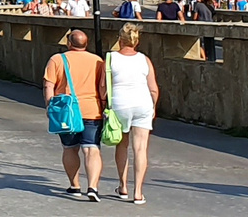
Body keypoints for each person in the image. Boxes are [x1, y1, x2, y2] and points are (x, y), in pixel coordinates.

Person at [43, 29, 109, 201]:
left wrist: (50, 107)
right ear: (86, 44)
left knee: (70, 148)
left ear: (69, 43)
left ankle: (75, 185)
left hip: (66, 112)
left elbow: (48, 85)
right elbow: (102, 87)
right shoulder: (97, 61)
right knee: (91, 148)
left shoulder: (57, 59)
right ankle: (93, 187)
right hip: (92, 110)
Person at [107, 23, 160, 205]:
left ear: (119, 39)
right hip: (142, 103)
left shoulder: (111, 58)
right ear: (136, 41)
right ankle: (138, 192)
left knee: (122, 145)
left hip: (120, 104)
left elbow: (102, 87)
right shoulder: (144, 60)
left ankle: (123, 186)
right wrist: (153, 107)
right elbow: (153, 88)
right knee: (140, 148)